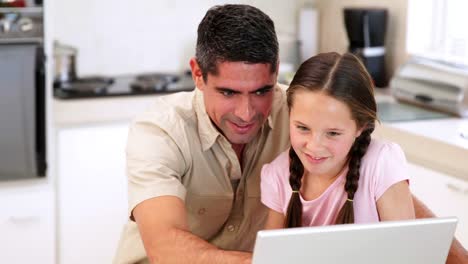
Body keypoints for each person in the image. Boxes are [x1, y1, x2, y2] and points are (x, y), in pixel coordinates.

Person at [114, 4, 468, 264]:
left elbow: (383, 182)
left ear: (276, 73)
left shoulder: (302, 114)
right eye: (228, 92)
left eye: (261, 90)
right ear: (198, 74)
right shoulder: (159, 131)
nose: (246, 112)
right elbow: (165, 246)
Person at [261, 52, 415, 230]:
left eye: (333, 133)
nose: (314, 146)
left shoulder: (381, 163)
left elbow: (409, 253)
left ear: (361, 127)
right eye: (303, 128)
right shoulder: (278, 175)